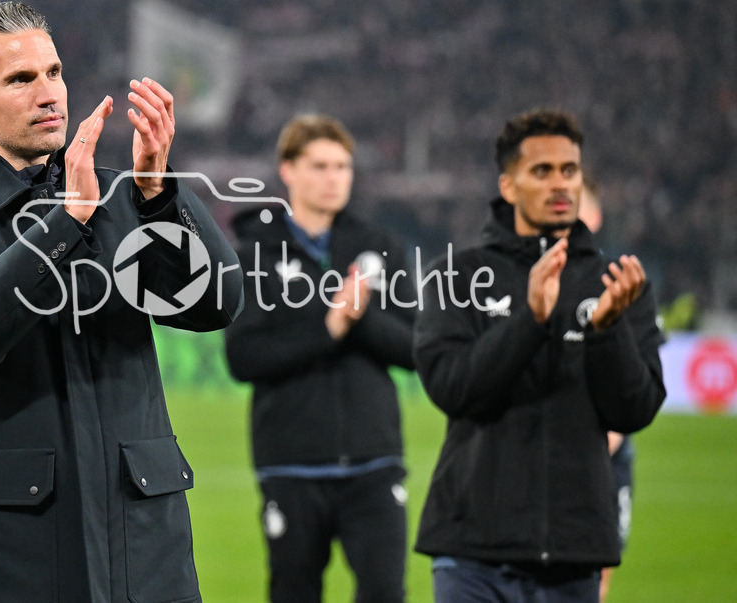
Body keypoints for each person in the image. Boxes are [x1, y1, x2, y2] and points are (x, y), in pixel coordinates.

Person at [0, 1, 243, 602]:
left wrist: (157, 194)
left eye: (53, 72)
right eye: (21, 80)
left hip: (139, 541)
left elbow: (218, 303)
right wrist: (66, 220)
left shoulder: (126, 197)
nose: (47, 93)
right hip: (2, 545)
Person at [412, 108, 666, 602]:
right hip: (473, 555)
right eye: (542, 171)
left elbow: (634, 409)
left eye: (569, 171)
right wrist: (530, 320)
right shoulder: (458, 276)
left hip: (572, 558)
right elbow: (452, 389)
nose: (560, 184)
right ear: (508, 187)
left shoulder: (615, 283)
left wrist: (607, 331)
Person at [224, 114, 416, 602]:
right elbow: (243, 357)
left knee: (385, 594)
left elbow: (417, 349)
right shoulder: (254, 257)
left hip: (374, 461)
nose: (335, 178)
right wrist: (328, 328)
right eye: (320, 166)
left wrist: (361, 319)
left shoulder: (380, 249)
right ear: (288, 170)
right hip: (292, 462)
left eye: (343, 167)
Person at [577, 176, 637, 603]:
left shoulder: (619, 285)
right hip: (552, 456)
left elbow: (635, 379)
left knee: (599, 571)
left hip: (606, 462)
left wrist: (606, 441)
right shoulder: (529, 282)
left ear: (595, 217)